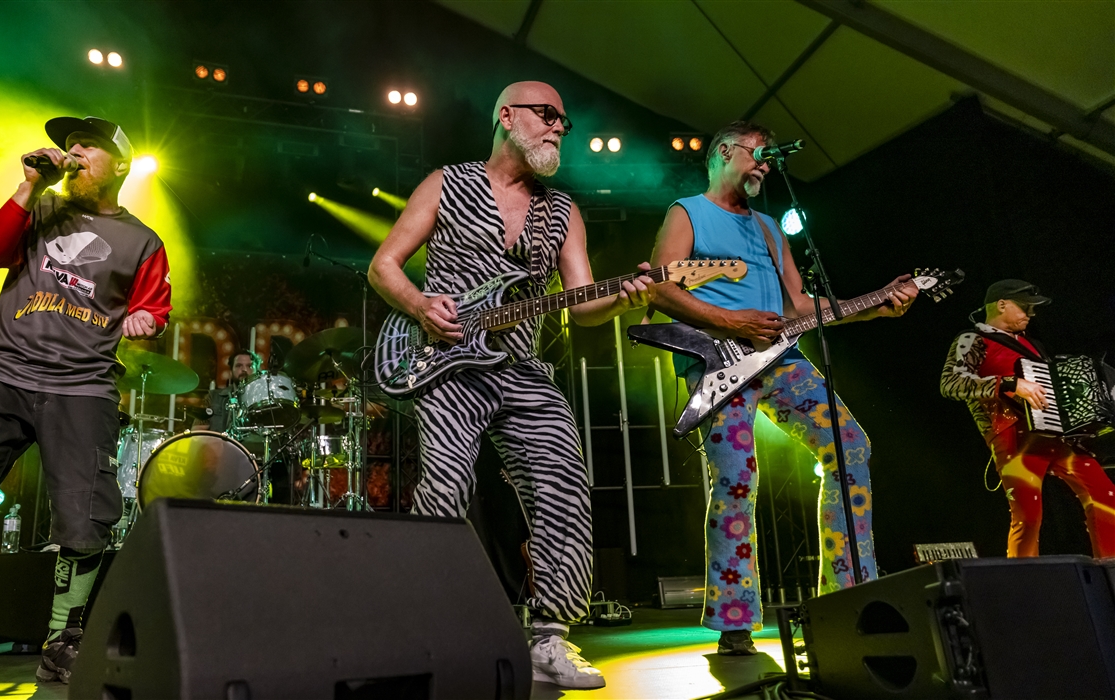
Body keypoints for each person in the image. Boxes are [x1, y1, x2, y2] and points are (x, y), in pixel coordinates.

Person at [369, 81, 654, 690]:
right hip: (447, 362)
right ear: (507, 115)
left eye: (565, 122)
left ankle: (550, 637)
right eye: (548, 115)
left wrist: (626, 296)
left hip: (522, 369)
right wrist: (422, 306)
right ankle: (427, 630)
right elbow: (384, 265)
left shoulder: (563, 210)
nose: (558, 127)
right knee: (444, 487)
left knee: (563, 483)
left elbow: (581, 304)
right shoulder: (448, 182)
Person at [0, 116, 171, 692]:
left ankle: (63, 644)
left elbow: (153, 309)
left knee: (85, 516)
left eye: (87, 147)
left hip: (83, 385)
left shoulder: (143, 240)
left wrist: (145, 320)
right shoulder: (42, 210)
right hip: (2, 370)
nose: (72, 153)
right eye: (68, 144)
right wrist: (28, 187)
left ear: (119, 164)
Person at [647, 121, 917, 655]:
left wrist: (873, 305)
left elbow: (797, 307)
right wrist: (731, 323)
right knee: (736, 480)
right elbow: (658, 288)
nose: (766, 165)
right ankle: (735, 620)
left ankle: (848, 593)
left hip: (782, 359)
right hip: (721, 363)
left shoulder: (772, 227)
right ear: (725, 152)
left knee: (851, 446)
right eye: (758, 154)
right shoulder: (688, 211)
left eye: (770, 158)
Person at [940, 279, 1115, 558]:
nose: (1031, 315)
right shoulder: (970, 339)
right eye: (1026, 308)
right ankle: (1023, 584)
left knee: (1105, 495)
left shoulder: (1033, 345)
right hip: (1012, 436)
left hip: (1055, 434)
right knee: (1028, 515)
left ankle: (1110, 569)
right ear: (1001, 304)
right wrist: (1010, 384)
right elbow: (950, 383)